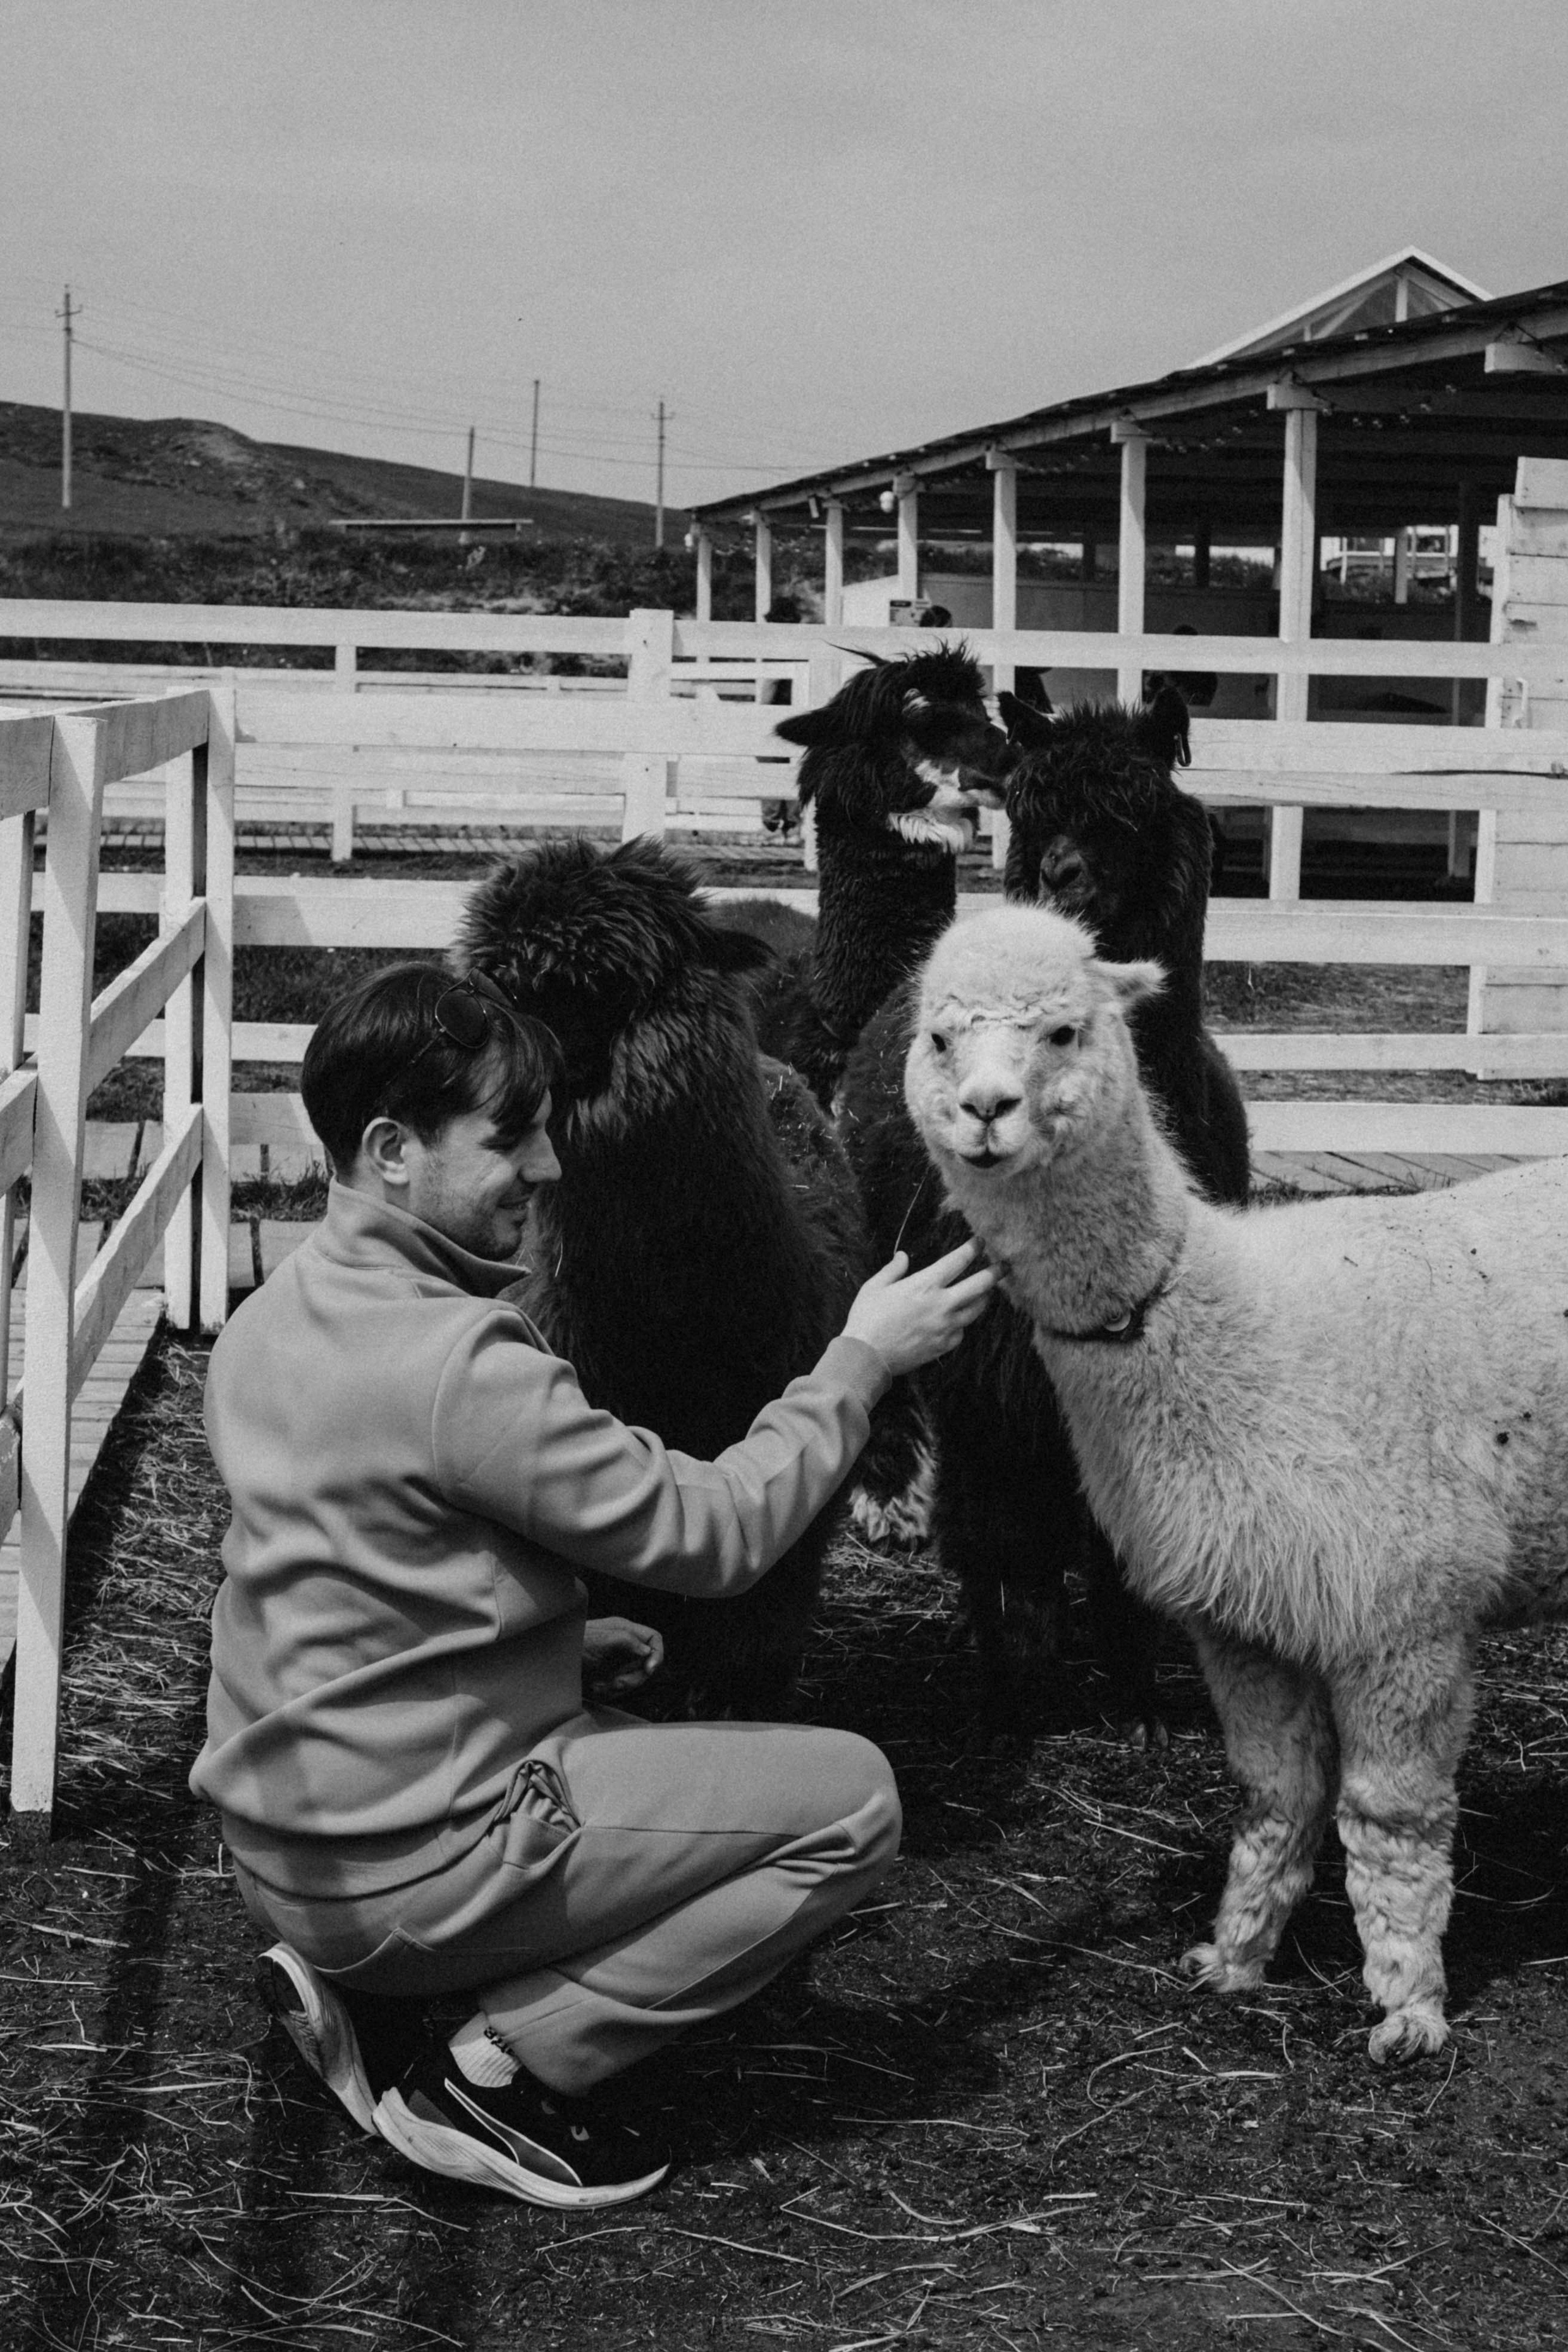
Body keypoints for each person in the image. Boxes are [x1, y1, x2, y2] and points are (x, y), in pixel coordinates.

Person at [190, 962, 997, 2212]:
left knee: (626, 1728)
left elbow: (349, 1585)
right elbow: (719, 1535)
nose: (548, 1165)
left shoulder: (271, 1316)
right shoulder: (461, 1359)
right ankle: (498, 2073)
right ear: (394, 1150)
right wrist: (857, 1363)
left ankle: (376, 1987)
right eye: (508, 1134)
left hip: (285, 1849)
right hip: (410, 1863)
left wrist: (545, 1649)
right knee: (851, 1806)